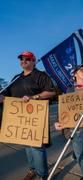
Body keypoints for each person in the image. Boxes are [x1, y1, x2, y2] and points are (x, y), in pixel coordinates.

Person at [0, 51, 56, 180]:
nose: (23, 61)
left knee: (36, 147)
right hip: (21, 121)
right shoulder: (16, 78)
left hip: (36, 119)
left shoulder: (41, 76)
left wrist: (34, 97)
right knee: (27, 147)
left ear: (34, 61)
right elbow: (6, 96)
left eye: (27, 59)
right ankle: (33, 170)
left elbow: (51, 92)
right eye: (21, 59)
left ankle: (42, 175)